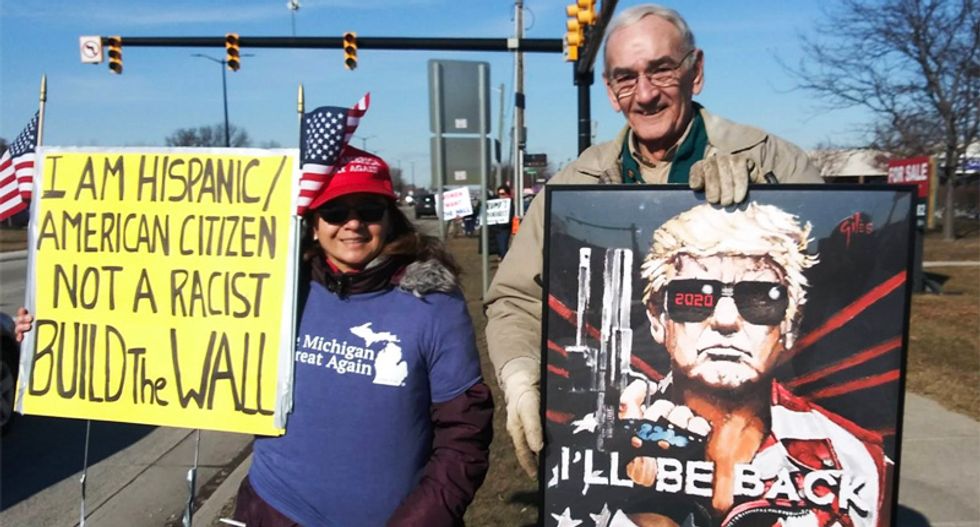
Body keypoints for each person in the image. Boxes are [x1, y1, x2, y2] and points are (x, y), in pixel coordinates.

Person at [484, 3, 823, 478]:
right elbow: (516, 298)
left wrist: (763, 197)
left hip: (762, 452)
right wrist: (520, 375)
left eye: (661, 71)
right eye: (626, 78)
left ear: (695, 71)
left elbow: (838, 284)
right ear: (610, 91)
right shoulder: (577, 186)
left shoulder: (773, 162)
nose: (644, 95)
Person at [614, 202, 890, 526]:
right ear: (658, 319)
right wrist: (641, 501)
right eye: (696, 298)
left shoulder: (853, 460)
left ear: (790, 326)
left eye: (760, 300)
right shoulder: (602, 444)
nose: (726, 320)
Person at [490, 184, 514, 259]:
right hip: (495, 227)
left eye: (503, 194)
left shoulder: (510, 203)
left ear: (507, 194)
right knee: (499, 248)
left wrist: (507, 223)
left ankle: (505, 261)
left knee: (503, 247)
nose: (501, 196)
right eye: (499, 194)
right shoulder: (494, 203)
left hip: (504, 228)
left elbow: (511, 215)